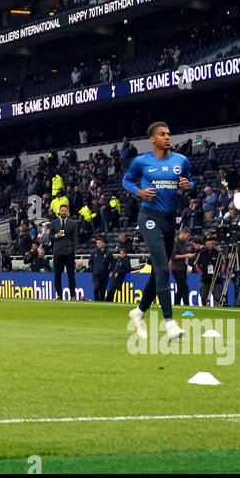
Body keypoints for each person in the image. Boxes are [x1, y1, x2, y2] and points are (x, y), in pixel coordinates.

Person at [124, 121, 192, 339]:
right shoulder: (141, 162)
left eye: (169, 134)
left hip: (169, 219)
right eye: (162, 134)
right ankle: (170, 322)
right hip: (149, 216)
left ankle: (138, 311)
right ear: (152, 139)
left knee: (158, 272)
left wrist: (188, 186)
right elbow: (126, 180)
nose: (167, 137)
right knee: (163, 268)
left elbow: (191, 183)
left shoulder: (181, 161)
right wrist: (139, 192)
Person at [48, 203, 80, 302]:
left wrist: (74, 250)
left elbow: (75, 238)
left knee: (71, 275)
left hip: (69, 253)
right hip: (57, 252)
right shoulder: (54, 223)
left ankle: (73, 295)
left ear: (67, 211)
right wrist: (56, 236)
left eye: (65, 210)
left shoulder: (72, 223)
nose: (64, 212)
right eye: (62, 210)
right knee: (57, 275)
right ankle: (59, 294)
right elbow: (50, 237)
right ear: (59, 211)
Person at [88, 236, 109, 301]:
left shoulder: (108, 253)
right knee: (96, 287)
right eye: (97, 243)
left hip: (104, 275)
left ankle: (102, 301)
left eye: (100, 243)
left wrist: (110, 270)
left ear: (103, 243)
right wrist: (92, 270)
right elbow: (90, 262)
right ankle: (96, 300)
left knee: (103, 289)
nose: (98, 244)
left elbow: (113, 262)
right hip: (96, 274)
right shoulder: (94, 253)